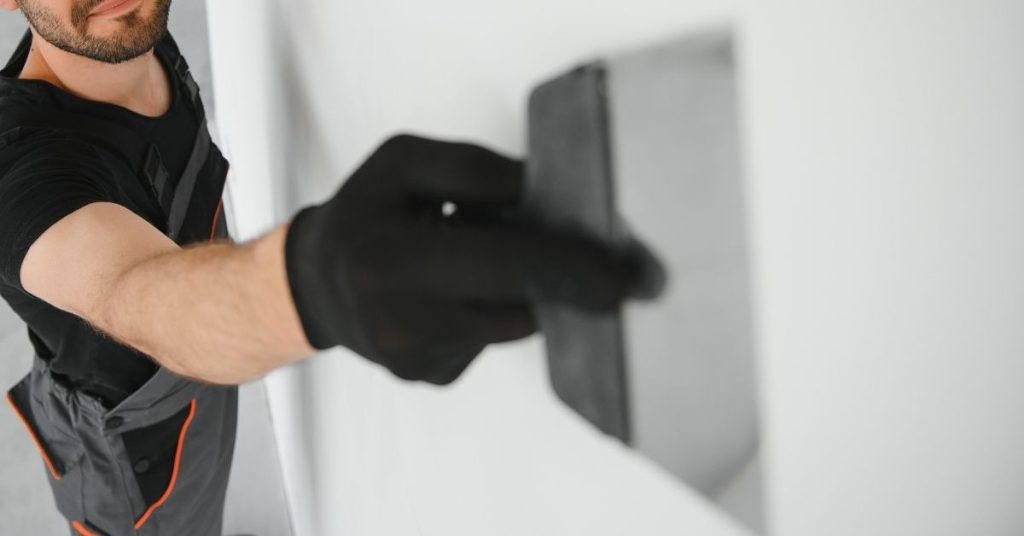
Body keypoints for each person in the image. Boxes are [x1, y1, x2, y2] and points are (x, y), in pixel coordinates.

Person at [0, 0, 652, 534]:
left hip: (205, 369)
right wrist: (310, 284)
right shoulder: (19, 169)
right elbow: (132, 293)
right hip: (132, 445)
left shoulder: (132, 34)